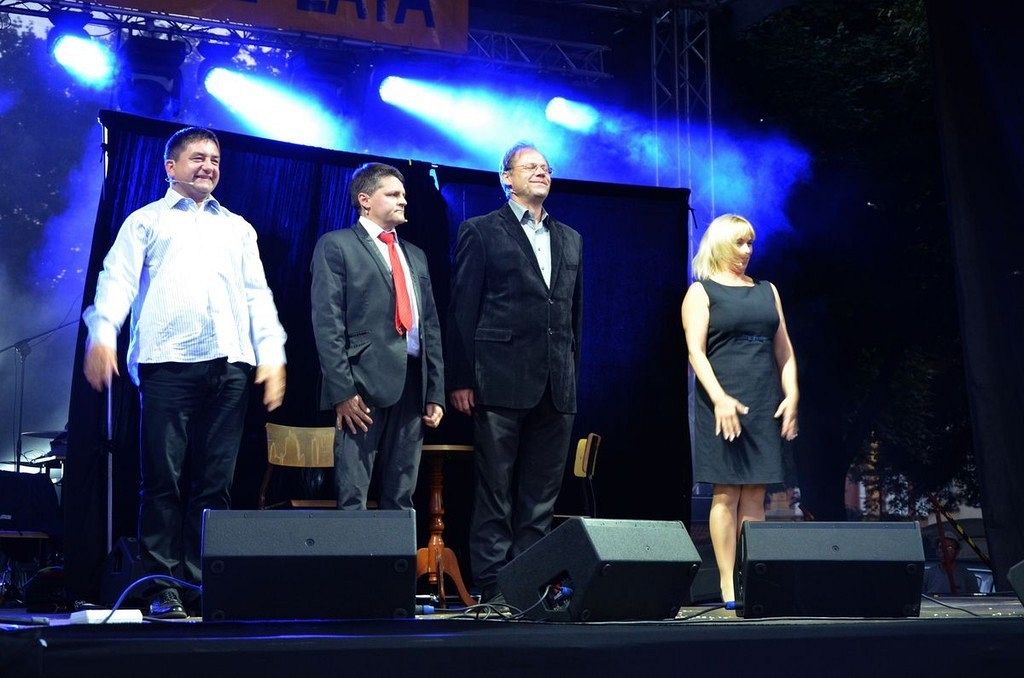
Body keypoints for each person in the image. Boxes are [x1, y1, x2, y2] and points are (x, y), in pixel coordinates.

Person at [83, 127, 287, 619]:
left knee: (215, 485)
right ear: (170, 167)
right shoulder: (145, 221)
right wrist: (103, 334)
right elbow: (117, 280)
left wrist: (272, 353)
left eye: (215, 159)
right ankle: (161, 586)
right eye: (198, 157)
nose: (209, 166)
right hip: (168, 363)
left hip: (231, 365)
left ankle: (199, 584)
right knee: (163, 482)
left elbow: (257, 294)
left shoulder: (238, 227)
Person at [447, 142, 583, 603]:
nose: (541, 172)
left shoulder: (570, 238)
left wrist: (571, 375)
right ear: (507, 177)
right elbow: (463, 309)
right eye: (531, 167)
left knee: (541, 497)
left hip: (556, 384)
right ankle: (492, 587)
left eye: (546, 167)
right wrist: (461, 378)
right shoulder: (481, 230)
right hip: (499, 379)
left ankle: (530, 585)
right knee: (496, 491)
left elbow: (573, 316)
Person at [310, 162, 444, 513]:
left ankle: (394, 553)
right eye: (393, 194)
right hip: (362, 383)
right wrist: (342, 390)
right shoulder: (337, 245)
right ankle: (353, 553)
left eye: (404, 195)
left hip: (413, 383)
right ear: (365, 199)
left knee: (401, 495)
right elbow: (327, 322)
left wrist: (435, 391)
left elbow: (430, 325)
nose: (403, 201)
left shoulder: (415, 255)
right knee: (354, 493)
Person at [680, 214, 798, 608]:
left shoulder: (767, 290)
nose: (747, 250)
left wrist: (792, 395)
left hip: (762, 399)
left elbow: (784, 350)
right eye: (739, 243)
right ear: (720, 244)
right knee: (727, 491)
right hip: (723, 402)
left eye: (750, 243)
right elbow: (696, 352)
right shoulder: (701, 291)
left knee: (756, 494)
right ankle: (728, 582)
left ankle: (751, 578)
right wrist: (719, 398)